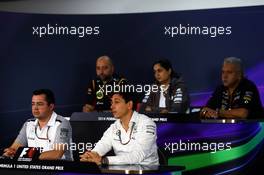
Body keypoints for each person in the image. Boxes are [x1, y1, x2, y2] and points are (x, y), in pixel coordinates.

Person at [80, 91, 159, 165]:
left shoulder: (146, 123)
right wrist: (91, 156)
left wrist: (103, 160)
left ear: (129, 105)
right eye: (111, 103)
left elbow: (138, 156)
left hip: (147, 171)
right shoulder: (114, 127)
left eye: (116, 102)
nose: (112, 106)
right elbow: (101, 146)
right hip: (121, 171)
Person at [2, 89, 73, 160]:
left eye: (39, 104)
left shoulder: (62, 124)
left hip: (60, 169)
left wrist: (28, 155)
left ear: (51, 106)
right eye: (33, 104)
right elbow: (14, 149)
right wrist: (10, 152)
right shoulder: (28, 124)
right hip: (33, 169)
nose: (35, 108)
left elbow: (57, 154)